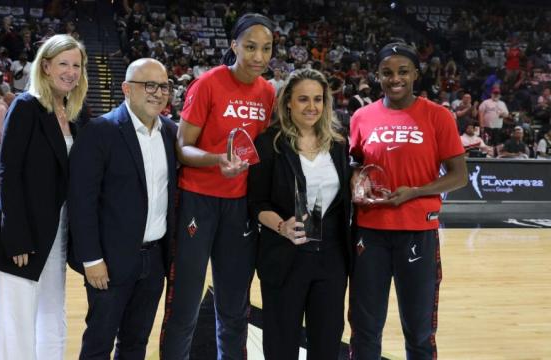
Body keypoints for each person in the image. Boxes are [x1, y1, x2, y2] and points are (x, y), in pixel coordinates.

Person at [160, 13, 276, 359]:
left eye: (266, 49)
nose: (258, 56)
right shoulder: (208, 83)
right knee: (185, 302)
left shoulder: (268, 92)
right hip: (198, 199)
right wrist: (216, 161)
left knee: (234, 305)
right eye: (251, 47)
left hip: (240, 206)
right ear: (233, 45)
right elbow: (183, 146)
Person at [348, 42, 468, 359]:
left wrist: (414, 192)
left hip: (417, 231)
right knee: (364, 328)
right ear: (377, 75)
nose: (395, 78)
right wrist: (358, 183)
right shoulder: (361, 117)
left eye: (403, 71)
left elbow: (459, 176)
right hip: (369, 232)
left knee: (419, 331)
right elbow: (356, 165)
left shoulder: (439, 116)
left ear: (415, 73)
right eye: (387, 72)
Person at [0, 34, 88, 360]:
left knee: (53, 315)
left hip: (57, 233)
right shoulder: (26, 106)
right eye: (64, 64)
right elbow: (8, 174)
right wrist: (16, 237)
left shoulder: (74, 113)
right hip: (22, 234)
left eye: (77, 65)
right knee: (17, 321)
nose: (71, 72)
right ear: (45, 65)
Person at [68, 58, 177, 359]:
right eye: (149, 85)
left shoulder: (170, 132)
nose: (158, 92)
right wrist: (91, 259)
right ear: (127, 89)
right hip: (110, 262)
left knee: (135, 343)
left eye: (164, 86)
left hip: (154, 261)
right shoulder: (100, 131)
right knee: (99, 344)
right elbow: (81, 201)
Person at [248, 68, 352, 359]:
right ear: (288, 102)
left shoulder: (338, 143)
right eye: (303, 99)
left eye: (318, 99)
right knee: (281, 345)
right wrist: (281, 225)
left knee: (327, 343)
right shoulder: (270, 143)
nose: (312, 107)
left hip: (331, 258)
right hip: (284, 257)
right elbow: (256, 202)